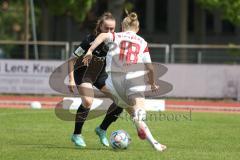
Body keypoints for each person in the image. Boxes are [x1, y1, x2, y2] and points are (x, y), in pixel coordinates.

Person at [83, 12, 167, 151]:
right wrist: (152, 83)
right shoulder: (142, 42)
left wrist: (90, 50)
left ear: (122, 26)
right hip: (133, 78)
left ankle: (152, 140)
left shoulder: (116, 35)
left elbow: (103, 35)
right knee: (139, 113)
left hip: (113, 82)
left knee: (131, 111)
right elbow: (150, 68)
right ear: (138, 29)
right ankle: (146, 133)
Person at [68, 12, 123, 148]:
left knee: (121, 100)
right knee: (87, 101)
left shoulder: (114, 41)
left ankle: (102, 129)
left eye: (112, 29)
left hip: (100, 75)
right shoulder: (89, 41)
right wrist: (71, 79)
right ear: (100, 27)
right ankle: (76, 134)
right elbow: (71, 60)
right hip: (84, 73)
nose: (110, 31)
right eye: (107, 29)